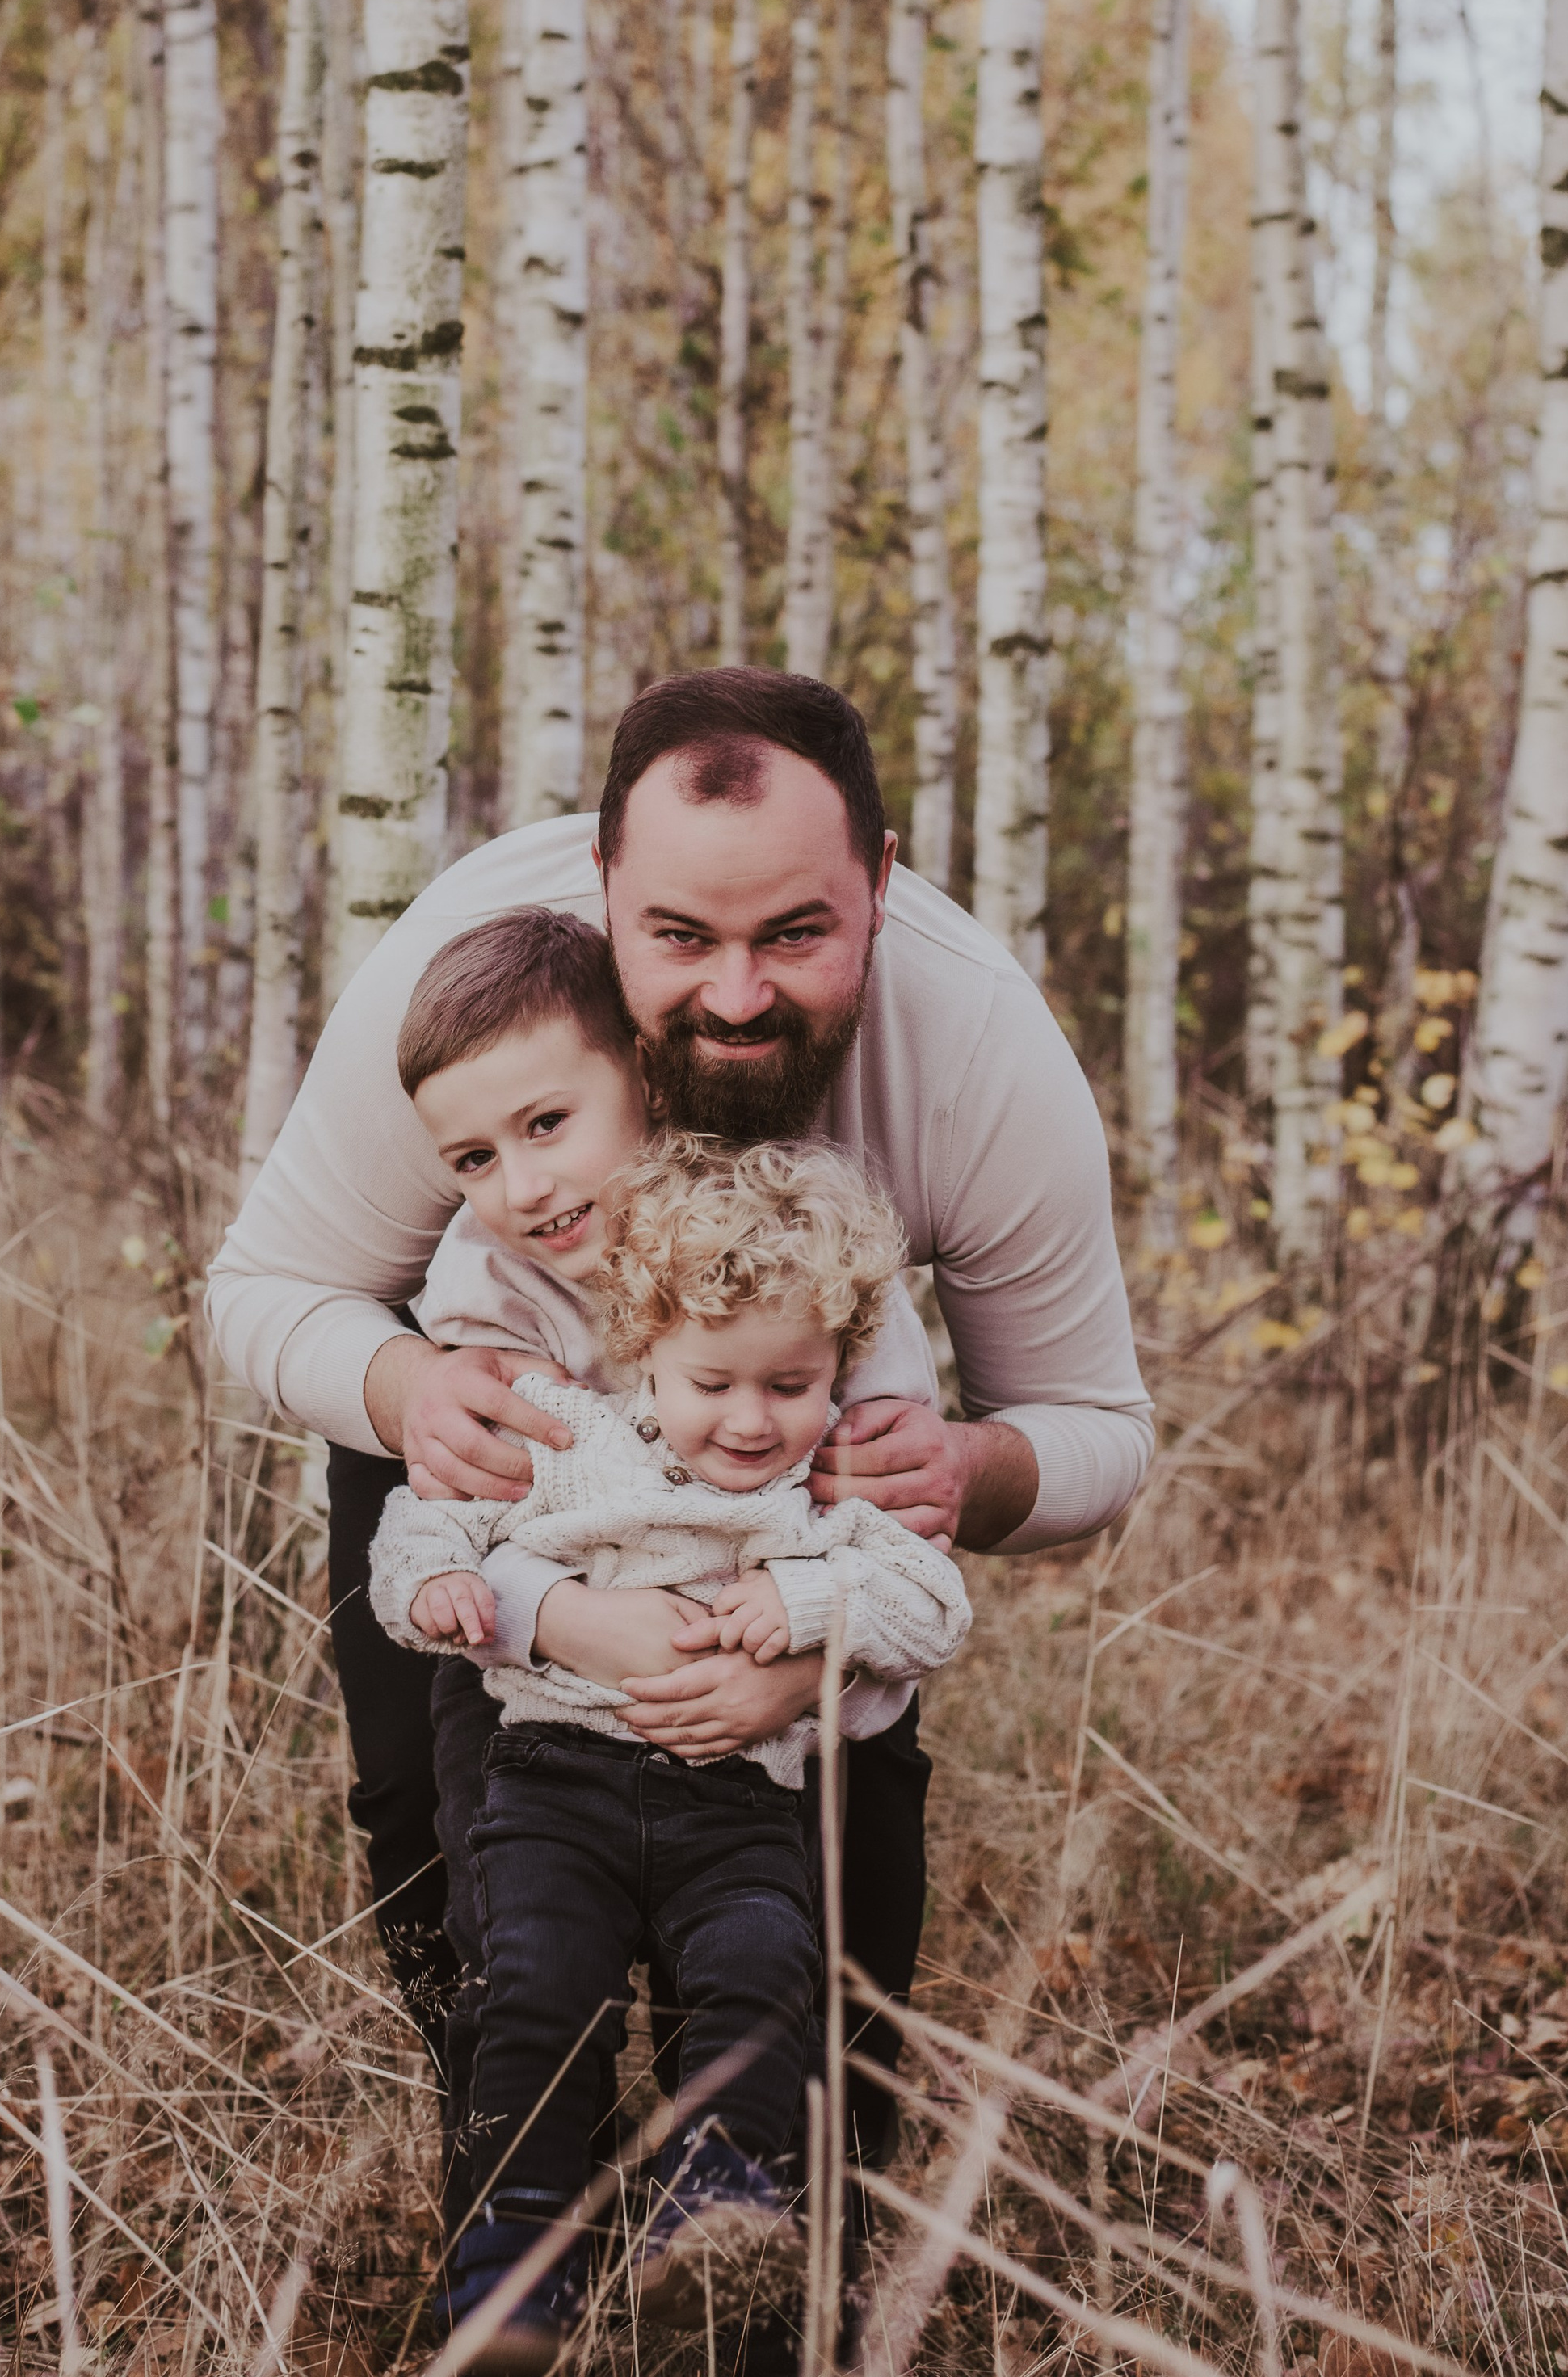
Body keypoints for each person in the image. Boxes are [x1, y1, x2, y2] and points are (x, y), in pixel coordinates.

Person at [206, 667, 1152, 2144]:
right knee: (430, 1822)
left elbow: (1099, 1423)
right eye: (680, 936)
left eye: (795, 933)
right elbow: (264, 1286)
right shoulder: (470, 990)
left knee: (838, 1893)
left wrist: (971, 1467)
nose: (736, 994)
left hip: (792, 1499)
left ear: (880, 885)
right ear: (601, 887)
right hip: (496, 1447)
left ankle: (780, 2218)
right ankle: (526, 2182)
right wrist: (406, 1386)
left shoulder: (978, 1054)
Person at [366, 1134, 972, 2377]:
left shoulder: (828, 1500)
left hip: (737, 1813)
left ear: (839, 1367)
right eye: (713, 1382)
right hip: (556, 1790)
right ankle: (513, 2269)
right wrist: (434, 1586)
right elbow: (423, 1520)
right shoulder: (571, 1442)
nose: (751, 1420)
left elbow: (935, 1610)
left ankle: (713, 2220)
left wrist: (809, 1603)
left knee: (763, 1980)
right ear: (646, 1345)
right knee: (536, 1988)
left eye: (790, 1385)